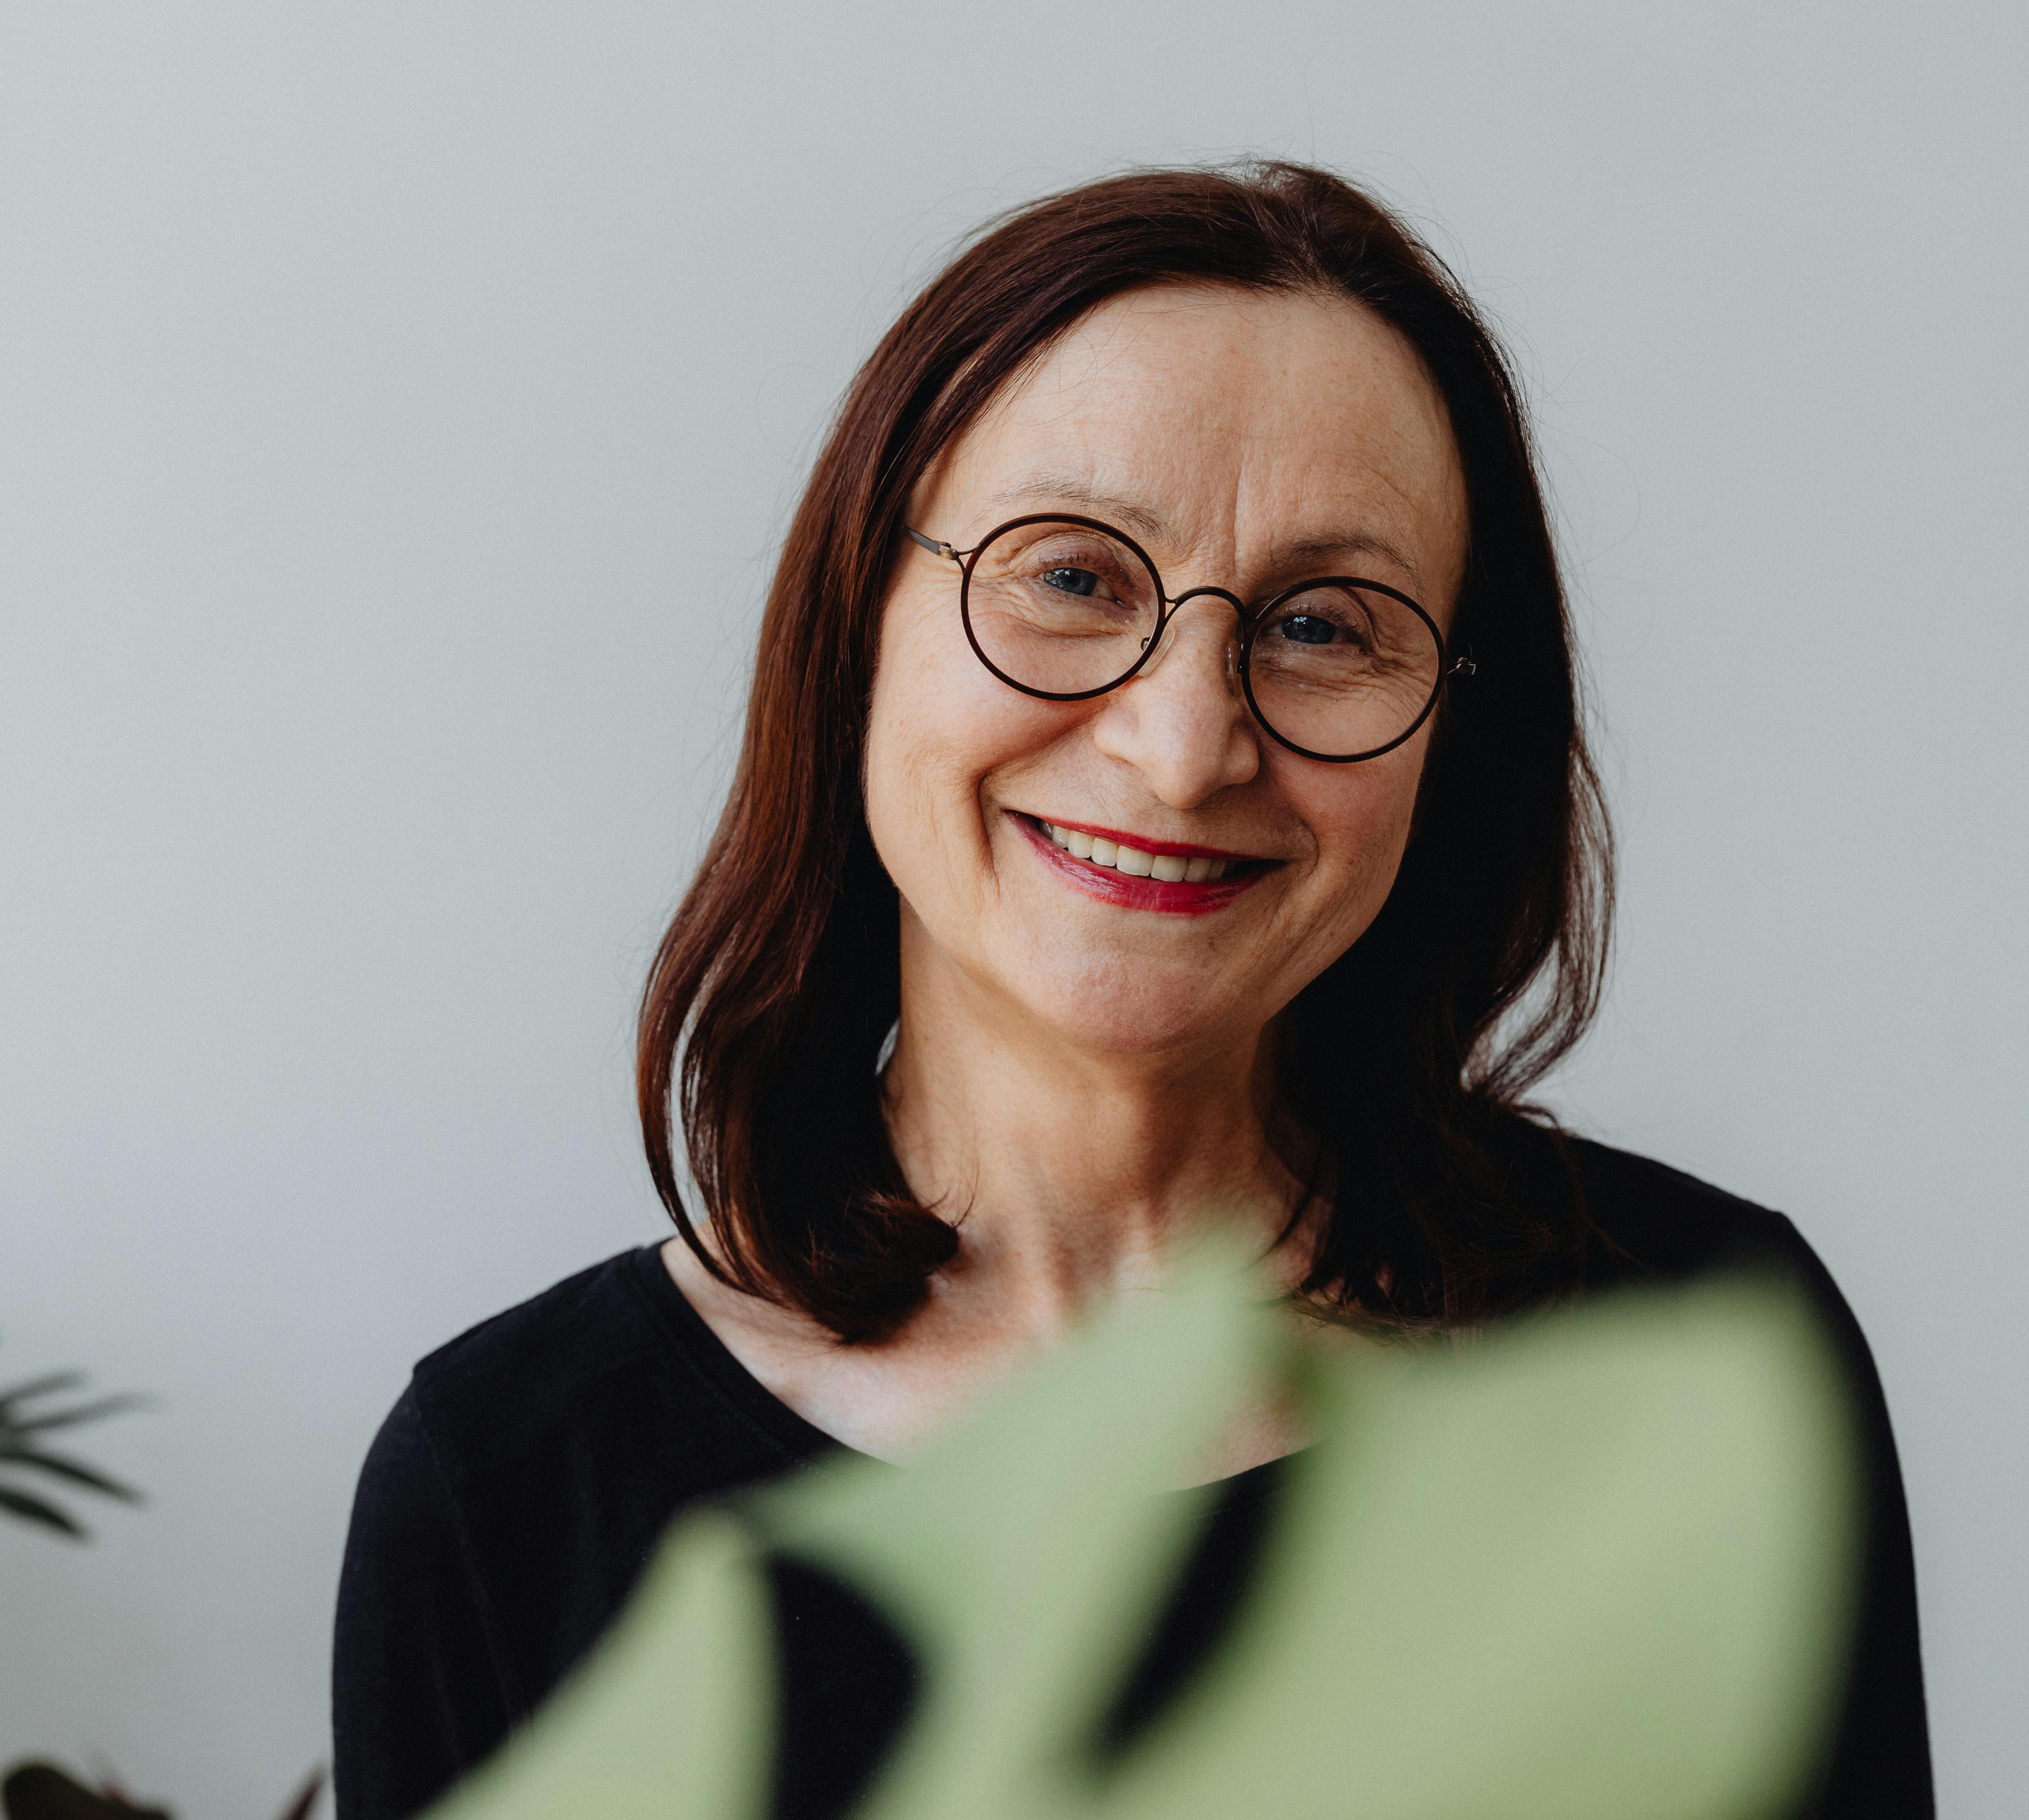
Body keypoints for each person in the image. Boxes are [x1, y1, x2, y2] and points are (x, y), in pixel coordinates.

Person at [330, 162, 1931, 1819]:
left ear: (1452, 729)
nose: (1182, 750)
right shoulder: (512, 1483)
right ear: (860, 617)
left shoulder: (1697, 1351)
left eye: (1323, 623)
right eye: (1075, 575)